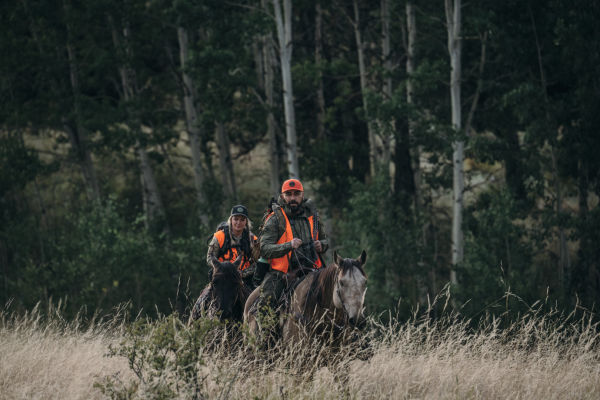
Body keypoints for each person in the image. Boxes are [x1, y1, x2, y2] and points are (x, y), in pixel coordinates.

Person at [255, 178, 328, 312]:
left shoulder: (312, 216)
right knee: (266, 307)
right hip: (281, 274)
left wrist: (321, 245)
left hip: (312, 270)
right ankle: (264, 333)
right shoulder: (275, 218)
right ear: (282, 196)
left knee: (339, 293)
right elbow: (264, 249)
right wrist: (288, 245)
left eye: (296, 194)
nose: (293, 198)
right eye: (289, 194)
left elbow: (325, 240)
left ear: (302, 195)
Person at [206, 204, 258, 289]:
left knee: (257, 300)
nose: (238, 222)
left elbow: (257, 262)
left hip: (244, 280)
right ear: (230, 220)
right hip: (221, 278)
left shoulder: (253, 239)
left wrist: (243, 273)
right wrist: (221, 270)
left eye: (242, 220)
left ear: (246, 222)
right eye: (236, 219)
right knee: (206, 298)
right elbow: (209, 257)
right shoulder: (219, 236)